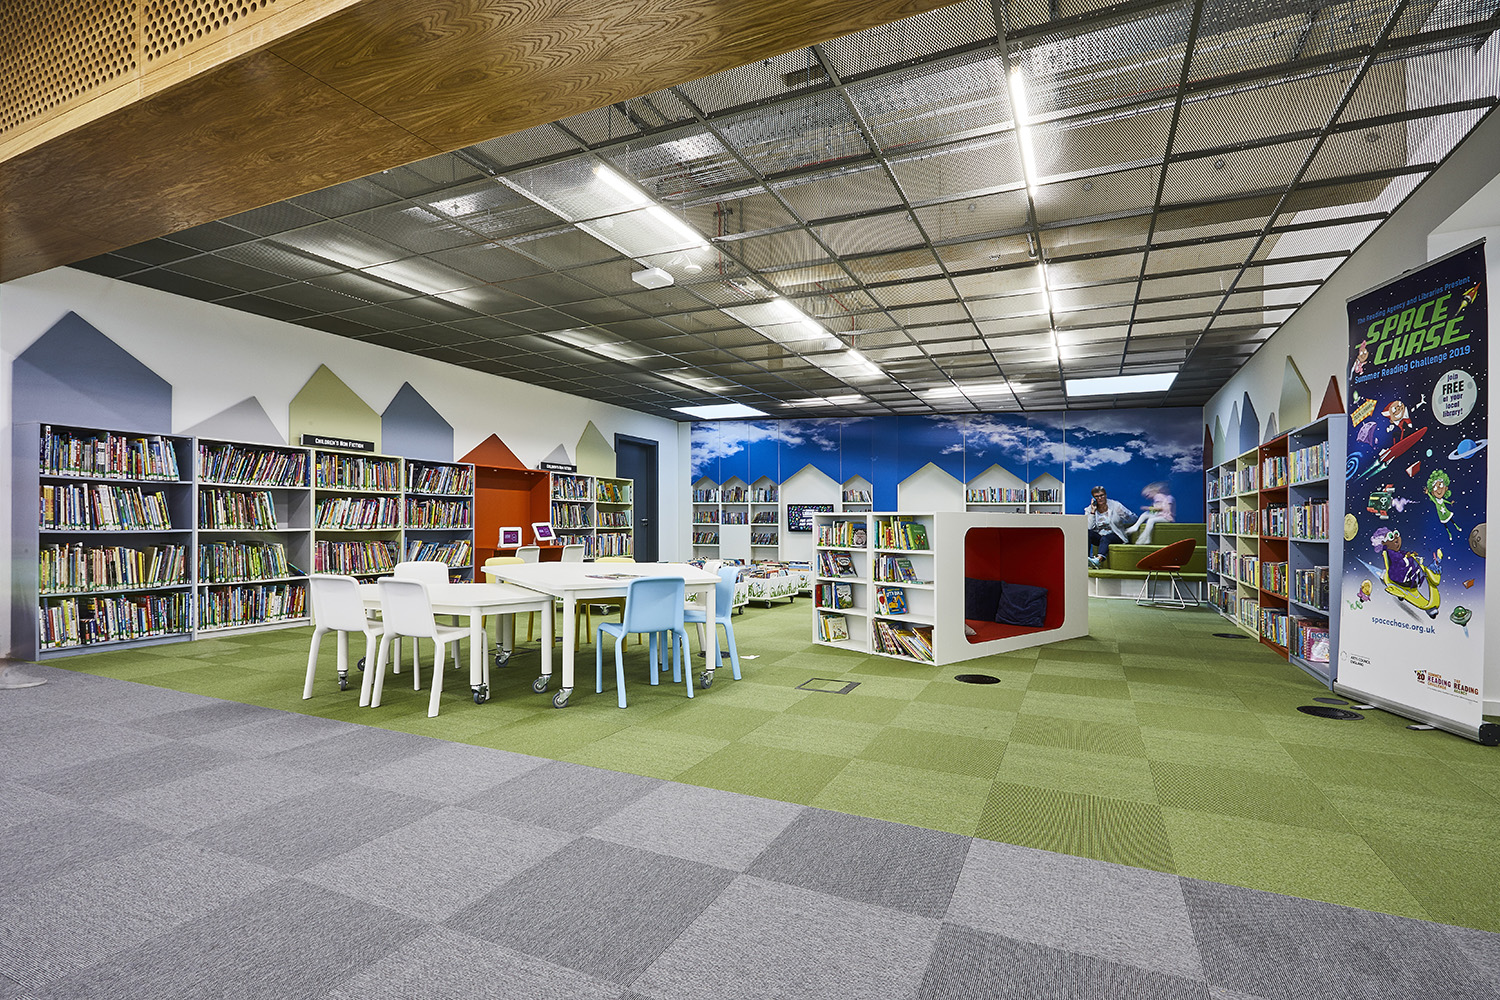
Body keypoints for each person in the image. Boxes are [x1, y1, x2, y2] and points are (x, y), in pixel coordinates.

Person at [1084, 486, 1133, 568]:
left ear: (1106, 495)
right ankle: (1086, 560)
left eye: (1102, 495)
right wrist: (1093, 511)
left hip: (1116, 535)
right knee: (1087, 533)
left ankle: (1098, 560)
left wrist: (1124, 515)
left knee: (1106, 538)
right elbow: (1089, 527)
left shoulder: (1115, 505)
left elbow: (1133, 519)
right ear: (1093, 498)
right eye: (1097, 496)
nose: (1100, 498)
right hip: (1101, 537)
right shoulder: (1089, 509)